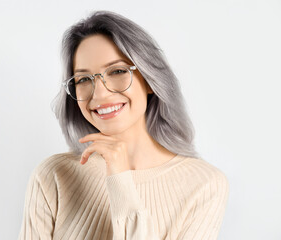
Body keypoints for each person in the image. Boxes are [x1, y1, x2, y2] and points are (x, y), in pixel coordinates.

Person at [17, 10, 229, 240]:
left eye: (117, 71)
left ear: (150, 80)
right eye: (83, 79)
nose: (99, 93)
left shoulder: (204, 185)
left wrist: (120, 179)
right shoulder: (53, 175)